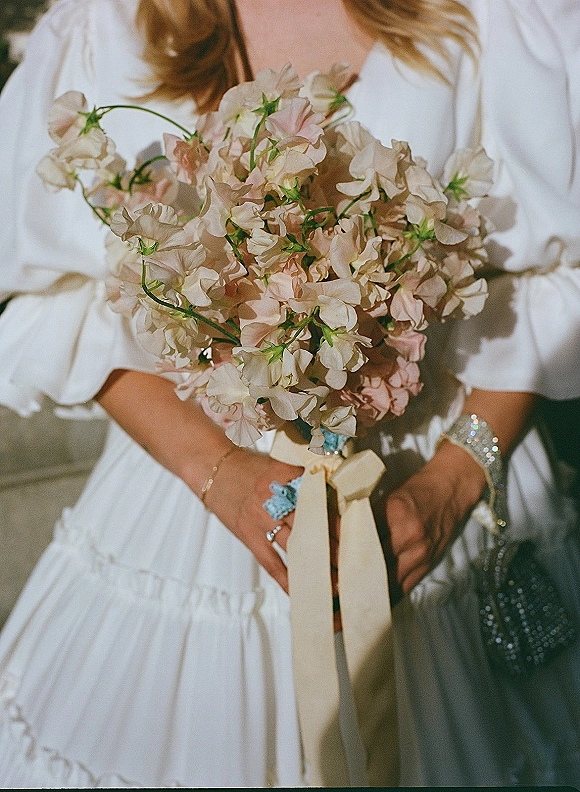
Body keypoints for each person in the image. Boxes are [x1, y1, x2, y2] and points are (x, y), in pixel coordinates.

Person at [0, 0, 579, 786]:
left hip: (428, 494)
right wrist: (219, 474)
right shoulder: (106, 27)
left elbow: (552, 280)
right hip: (189, 497)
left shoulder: (492, 17)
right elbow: (61, 298)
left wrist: (449, 488)